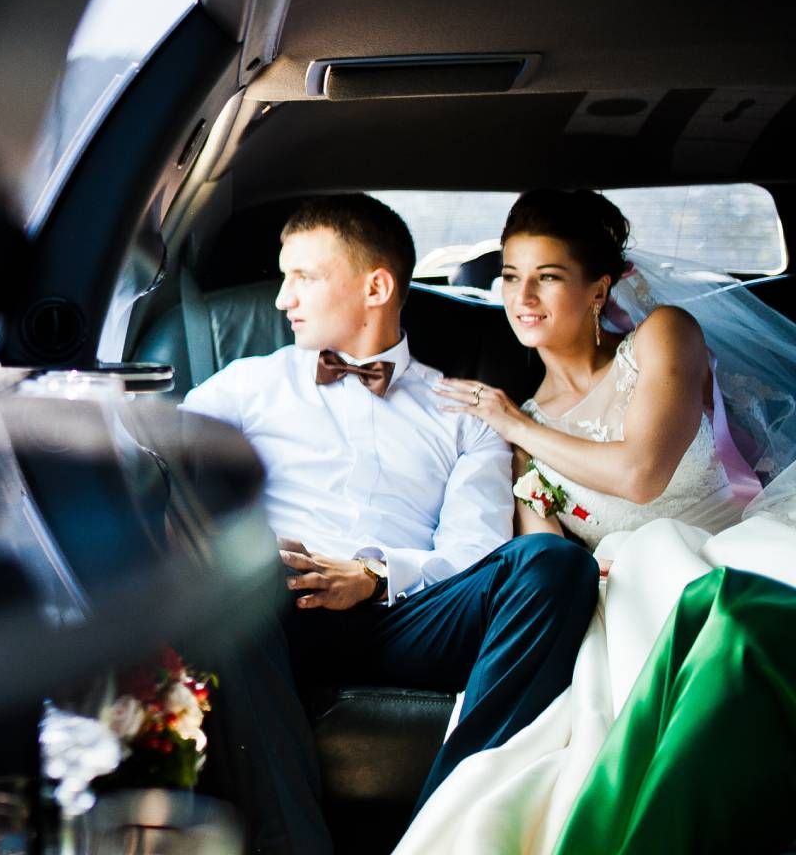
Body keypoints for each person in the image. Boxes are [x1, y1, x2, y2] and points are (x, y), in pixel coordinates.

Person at [182, 194, 598, 855]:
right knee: (233, 579)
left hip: (408, 615)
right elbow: (154, 464)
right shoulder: (243, 386)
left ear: (376, 286)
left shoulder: (463, 411)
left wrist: (375, 577)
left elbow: (474, 549)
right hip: (277, 604)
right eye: (284, 276)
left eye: (304, 278)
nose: (282, 299)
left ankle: (450, 828)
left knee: (554, 565)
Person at [395, 188, 796, 855]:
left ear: (598, 288)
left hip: (729, 546)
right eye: (511, 277)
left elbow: (643, 473)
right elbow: (546, 552)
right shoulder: (521, 426)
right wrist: (518, 433)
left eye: (548, 278)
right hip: (625, 591)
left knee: (673, 560)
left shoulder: (662, 337)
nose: (523, 297)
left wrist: (514, 423)